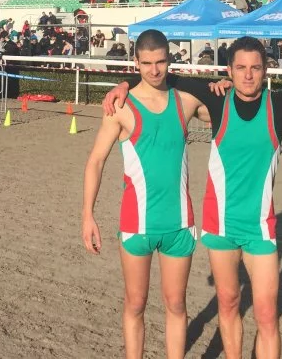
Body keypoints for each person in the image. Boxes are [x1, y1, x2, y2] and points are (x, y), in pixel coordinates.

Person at [104, 38, 282, 359]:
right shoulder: (215, 100)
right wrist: (125, 82)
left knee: (267, 316)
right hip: (220, 229)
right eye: (240, 68)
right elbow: (163, 77)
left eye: (255, 68)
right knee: (228, 305)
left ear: (265, 70)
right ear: (228, 71)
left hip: (261, 231)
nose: (247, 75)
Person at [82, 30, 211, 359]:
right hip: (136, 225)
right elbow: (96, 161)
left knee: (176, 305)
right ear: (135, 62)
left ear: (170, 60)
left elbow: (233, 109)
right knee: (135, 304)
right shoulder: (121, 107)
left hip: (180, 225)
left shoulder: (186, 101)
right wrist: (88, 216)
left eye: (162, 62)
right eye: (147, 63)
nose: (155, 70)